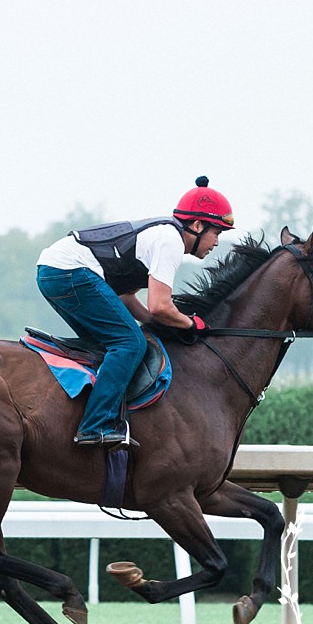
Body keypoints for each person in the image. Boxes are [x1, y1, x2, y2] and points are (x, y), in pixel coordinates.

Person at [36, 176, 235, 446]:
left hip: (52, 271)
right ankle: (96, 426)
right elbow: (160, 305)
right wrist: (190, 324)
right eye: (217, 232)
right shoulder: (171, 241)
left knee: (110, 345)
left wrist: (155, 322)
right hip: (69, 272)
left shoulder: (163, 235)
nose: (216, 242)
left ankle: (81, 415)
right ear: (197, 225)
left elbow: (126, 297)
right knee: (129, 344)